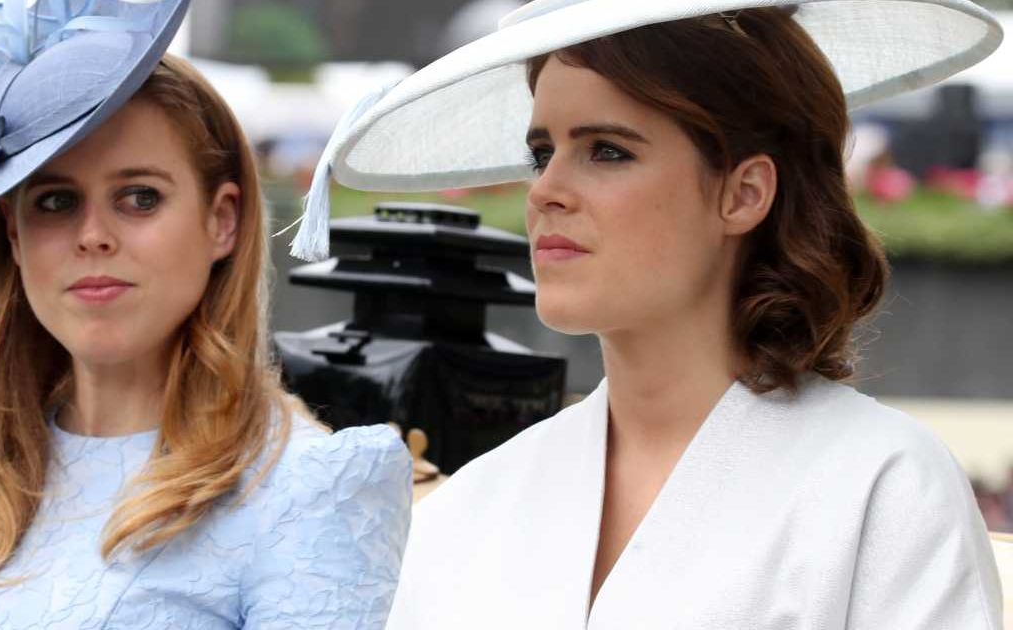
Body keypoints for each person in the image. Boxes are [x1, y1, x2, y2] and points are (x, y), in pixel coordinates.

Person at [293, 0, 1005, 627]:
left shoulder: (879, 485)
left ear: (743, 192)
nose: (546, 192)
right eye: (542, 152)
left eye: (606, 150)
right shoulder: (479, 500)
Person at [0, 2, 411, 628]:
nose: (93, 235)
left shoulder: (309, 487)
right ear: (12, 236)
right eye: (56, 201)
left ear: (222, 220)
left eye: (139, 197)